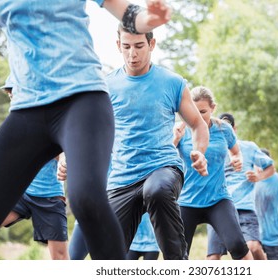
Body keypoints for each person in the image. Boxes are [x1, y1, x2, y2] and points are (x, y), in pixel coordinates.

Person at [0, 0, 171, 260]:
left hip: (82, 99)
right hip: (28, 108)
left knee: (86, 200)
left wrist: (147, 20)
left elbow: (127, 12)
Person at [61, 23, 209, 260]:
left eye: (139, 46)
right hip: (122, 179)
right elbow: (85, 128)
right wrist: (67, 156)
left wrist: (199, 152)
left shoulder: (172, 82)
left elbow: (198, 125)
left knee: (157, 190)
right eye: (127, 46)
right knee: (109, 258)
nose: (133, 53)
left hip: (163, 168)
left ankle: (178, 263)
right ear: (118, 45)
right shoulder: (106, 87)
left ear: (151, 44)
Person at [174, 86, 253, 260]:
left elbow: (236, 152)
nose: (198, 116)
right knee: (177, 254)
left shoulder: (224, 129)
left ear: (213, 108)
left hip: (218, 199)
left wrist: (237, 159)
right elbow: (164, 158)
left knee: (237, 245)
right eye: (194, 111)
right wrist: (174, 140)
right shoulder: (180, 130)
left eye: (203, 111)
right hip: (187, 200)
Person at [206, 113, 275, 260]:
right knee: (213, 258)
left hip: (244, 207)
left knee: (254, 248)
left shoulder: (248, 148)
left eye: (228, 128)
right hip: (217, 207)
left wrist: (258, 177)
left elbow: (270, 167)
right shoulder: (210, 149)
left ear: (234, 129)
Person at [1, 158, 69, 260]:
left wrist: (64, 164)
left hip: (50, 196)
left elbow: (63, 151)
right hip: (22, 190)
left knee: (59, 257)